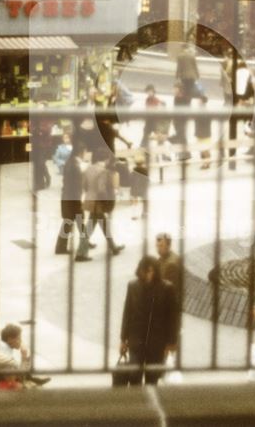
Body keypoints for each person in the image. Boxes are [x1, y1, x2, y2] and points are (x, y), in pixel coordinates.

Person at [120, 256, 179, 385]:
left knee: (152, 378)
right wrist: (123, 339)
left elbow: (173, 318)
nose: (148, 274)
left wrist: (172, 342)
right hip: (136, 340)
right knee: (134, 376)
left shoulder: (167, 288)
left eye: (151, 271)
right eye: (145, 271)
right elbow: (127, 312)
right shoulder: (133, 286)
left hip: (157, 342)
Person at [76, 149, 124, 261]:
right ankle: (80, 254)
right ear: (106, 159)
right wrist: (107, 203)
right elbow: (102, 189)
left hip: (89, 199)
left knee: (103, 225)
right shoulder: (103, 171)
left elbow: (84, 186)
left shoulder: (88, 169)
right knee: (89, 229)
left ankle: (113, 247)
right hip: (99, 202)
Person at [0, 323, 48, 389]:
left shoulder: (0, 346)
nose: (21, 341)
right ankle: (34, 381)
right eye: (19, 338)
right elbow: (19, 378)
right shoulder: (6, 359)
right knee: (37, 388)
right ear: (9, 339)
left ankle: (33, 380)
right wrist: (24, 358)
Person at [55, 142, 86, 255]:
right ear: (81, 152)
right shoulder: (75, 166)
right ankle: (60, 248)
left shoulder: (70, 162)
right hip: (73, 199)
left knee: (74, 222)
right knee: (72, 222)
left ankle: (84, 241)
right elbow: (77, 185)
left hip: (67, 197)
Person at [155, 232, 182, 305]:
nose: (158, 249)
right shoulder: (163, 257)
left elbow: (168, 289)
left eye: (161, 246)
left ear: (168, 246)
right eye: (157, 246)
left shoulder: (171, 264)